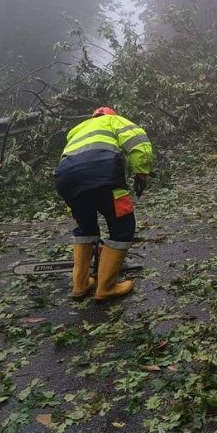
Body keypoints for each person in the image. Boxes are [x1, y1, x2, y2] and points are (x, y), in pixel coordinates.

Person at [54, 107, 154, 301]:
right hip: (104, 176)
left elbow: (69, 162)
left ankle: (80, 285)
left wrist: (73, 205)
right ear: (110, 114)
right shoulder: (113, 121)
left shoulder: (77, 129)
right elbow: (139, 142)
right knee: (122, 227)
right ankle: (106, 287)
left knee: (86, 228)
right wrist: (141, 172)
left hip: (66, 180)